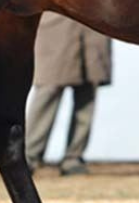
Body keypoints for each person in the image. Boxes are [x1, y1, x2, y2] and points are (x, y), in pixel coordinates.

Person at [25, 12, 112, 176]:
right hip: (57, 22)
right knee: (48, 89)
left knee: (87, 93)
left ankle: (73, 157)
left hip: (93, 24)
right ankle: (29, 156)